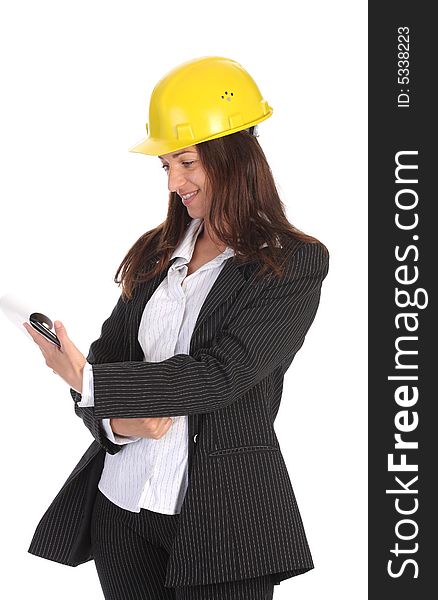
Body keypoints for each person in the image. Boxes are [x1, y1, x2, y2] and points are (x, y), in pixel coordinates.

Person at [25, 56, 330, 600]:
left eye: (186, 162)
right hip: (122, 507)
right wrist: (117, 423)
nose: (174, 182)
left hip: (221, 520)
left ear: (233, 157)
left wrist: (90, 383)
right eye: (164, 165)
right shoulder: (156, 251)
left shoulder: (291, 263)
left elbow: (220, 377)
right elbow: (108, 359)